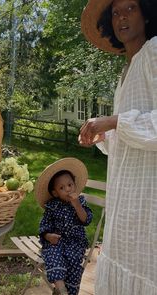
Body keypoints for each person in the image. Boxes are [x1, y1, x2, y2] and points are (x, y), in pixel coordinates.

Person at [79, 0, 157, 294]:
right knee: (122, 259)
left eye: (130, 9)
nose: (122, 17)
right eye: (115, 13)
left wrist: (112, 122)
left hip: (150, 196)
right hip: (124, 197)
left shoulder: (154, 51)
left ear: (147, 14)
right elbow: (128, 132)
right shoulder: (123, 75)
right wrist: (104, 136)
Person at [34, 158, 93, 295]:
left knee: (74, 261)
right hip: (57, 240)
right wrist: (48, 236)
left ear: (74, 185)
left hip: (75, 242)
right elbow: (44, 225)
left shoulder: (80, 202)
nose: (67, 189)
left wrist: (77, 205)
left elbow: (86, 220)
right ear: (55, 193)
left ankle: (69, 291)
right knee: (52, 254)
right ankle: (61, 288)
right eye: (62, 188)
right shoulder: (52, 206)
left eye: (69, 185)